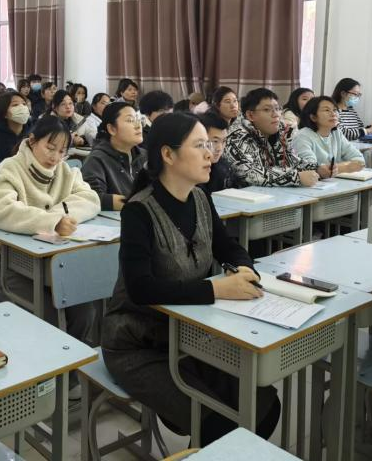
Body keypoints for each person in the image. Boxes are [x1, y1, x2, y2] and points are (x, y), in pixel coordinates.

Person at [101, 112, 280, 445]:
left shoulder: (199, 196)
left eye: (210, 145)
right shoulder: (139, 210)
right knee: (215, 423)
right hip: (137, 344)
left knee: (264, 406)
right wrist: (216, 288)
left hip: (188, 333)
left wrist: (245, 268)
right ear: (168, 155)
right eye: (200, 146)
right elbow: (141, 289)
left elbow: (226, 246)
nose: (211, 154)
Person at [0, 115, 101, 345]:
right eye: (50, 147)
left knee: (84, 310)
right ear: (32, 141)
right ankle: (51, 364)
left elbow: (90, 199)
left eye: (62, 151)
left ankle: (70, 362)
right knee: (47, 316)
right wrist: (52, 222)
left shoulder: (64, 170)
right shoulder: (10, 168)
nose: (55, 157)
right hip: (6, 265)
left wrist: (57, 215)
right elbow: (3, 211)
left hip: (52, 264)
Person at [223, 88, 322, 187]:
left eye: (277, 109)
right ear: (251, 115)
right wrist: (296, 177)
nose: (276, 115)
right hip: (242, 194)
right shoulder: (236, 136)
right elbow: (250, 174)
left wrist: (317, 169)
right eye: (267, 110)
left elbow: (294, 162)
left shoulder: (283, 131)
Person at [81, 102, 146, 211]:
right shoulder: (97, 159)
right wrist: (137, 205)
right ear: (112, 129)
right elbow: (91, 197)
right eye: (130, 120)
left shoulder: (145, 156)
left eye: (138, 119)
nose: (138, 125)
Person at [291, 96, 366, 174]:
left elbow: (360, 161)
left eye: (335, 110)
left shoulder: (336, 133)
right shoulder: (302, 136)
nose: (333, 114)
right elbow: (310, 168)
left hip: (334, 180)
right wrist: (348, 166)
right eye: (327, 110)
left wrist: (337, 168)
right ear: (313, 117)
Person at [198, 112, 238, 194]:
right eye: (215, 141)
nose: (220, 148)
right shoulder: (190, 170)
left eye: (223, 141)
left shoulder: (224, 167)